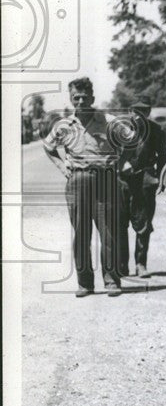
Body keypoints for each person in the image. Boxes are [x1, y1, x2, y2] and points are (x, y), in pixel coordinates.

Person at [42, 77, 128, 297]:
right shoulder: (64, 125)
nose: (80, 101)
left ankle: (111, 281)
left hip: (105, 179)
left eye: (84, 97)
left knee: (109, 231)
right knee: (81, 233)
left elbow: (130, 140)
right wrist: (62, 167)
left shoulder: (108, 121)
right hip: (78, 180)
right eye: (76, 97)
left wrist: (117, 162)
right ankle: (85, 283)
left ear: (92, 97)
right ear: (71, 99)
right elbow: (48, 146)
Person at [116, 98, 166, 277]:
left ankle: (140, 263)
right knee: (120, 224)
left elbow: (162, 157)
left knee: (144, 224)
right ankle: (122, 265)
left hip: (146, 180)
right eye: (136, 110)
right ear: (130, 111)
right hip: (122, 181)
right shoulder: (120, 129)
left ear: (149, 111)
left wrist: (161, 179)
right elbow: (111, 153)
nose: (139, 114)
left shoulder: (156, 130)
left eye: (144, 111)